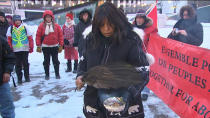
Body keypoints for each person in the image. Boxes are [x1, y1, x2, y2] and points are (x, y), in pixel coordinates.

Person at [75, 2, 153, 118]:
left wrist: (127, 93)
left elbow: (142, 70)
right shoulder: (91, 39)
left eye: (110, 24)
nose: (106, 28)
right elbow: (83, 61)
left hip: (125, 104)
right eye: (102, 25)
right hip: (94, 101)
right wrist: (80, 76)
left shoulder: (130, 40)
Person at [133, 9, 158, 101]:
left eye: (141, 18)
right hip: (133, 54)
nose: (139, 20)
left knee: (145, 73)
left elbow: (157, 41)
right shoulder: (132, 28)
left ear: (144, 19)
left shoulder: (151, 29)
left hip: (146, 55)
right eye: (137, 18)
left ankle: (145, 92)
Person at [36, 10, 64, 80]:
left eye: (49, 17)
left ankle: (57, 74)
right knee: (46, 61)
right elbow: (38, 36)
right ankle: (47, 74)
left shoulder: (56, 26)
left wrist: (61, 45)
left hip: (54, 46)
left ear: (52, 17)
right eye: (46, 17)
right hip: (45, 47)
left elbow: (60, 36)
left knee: (56, 61)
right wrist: (38, 45)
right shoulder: (41, 26)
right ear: (44, 18)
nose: (48, 18)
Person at [7, 15, 34, 84]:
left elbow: (30, 37)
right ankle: (19, 78)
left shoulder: (25, 27)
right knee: (17, 64)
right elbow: (9, 39)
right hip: (15, 50)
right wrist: (10, 48)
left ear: (21, 21)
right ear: (14, 21)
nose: (18, 22)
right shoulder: (11, 28)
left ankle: (27, 77)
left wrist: (31, 46)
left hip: (25, 48)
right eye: (16, 20)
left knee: (25, 63)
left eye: (19, 20)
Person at [0, 35, 16, 118]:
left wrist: (7, 71)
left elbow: (9, 57)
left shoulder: (1, 40)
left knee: (7, 107)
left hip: (2, 80)